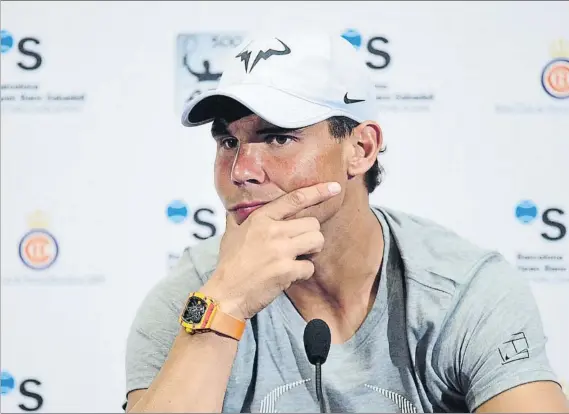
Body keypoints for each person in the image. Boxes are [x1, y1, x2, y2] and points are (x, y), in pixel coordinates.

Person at [123, 30, 568, 413]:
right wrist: (227, 304)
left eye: (278, 137)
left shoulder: (462, 290)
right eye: (227, 141)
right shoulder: (196, 297)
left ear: (360, 149)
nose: (241, 171)